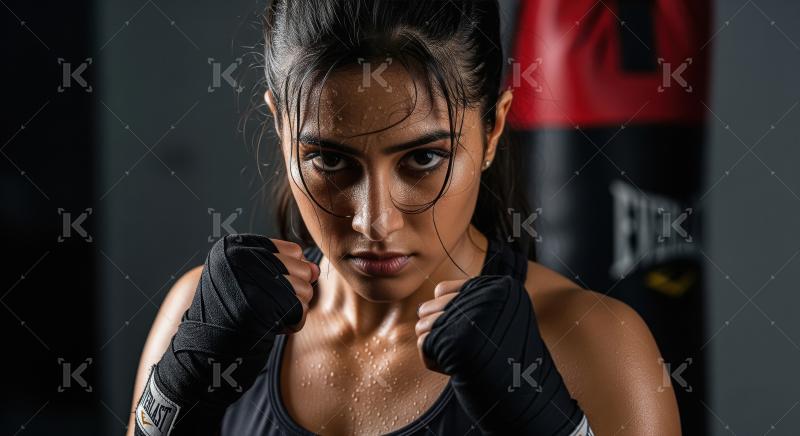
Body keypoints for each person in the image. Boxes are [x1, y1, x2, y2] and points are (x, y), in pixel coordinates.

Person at [128, 1, 681, 435]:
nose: (374, 221)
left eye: (423, 158)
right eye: (329, 160)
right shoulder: (198, 318)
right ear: (280, 130)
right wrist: (177, 397)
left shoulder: (593, 343)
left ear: (492, 131)